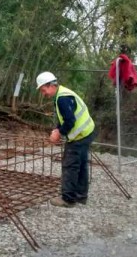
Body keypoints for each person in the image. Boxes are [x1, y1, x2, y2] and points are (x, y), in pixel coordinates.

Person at [36, 71, 96, 207]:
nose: (43, 93)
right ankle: (81, 195)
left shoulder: (62, 98)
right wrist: (58, 128)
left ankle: (68, 199)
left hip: (80, 136)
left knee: (70, 165)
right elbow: (64, 117)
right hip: (87, 132)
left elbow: (70, 121)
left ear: (50, 85)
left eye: (43, 90)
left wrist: (59, 133)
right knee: (81, 165)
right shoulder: (63, 93)